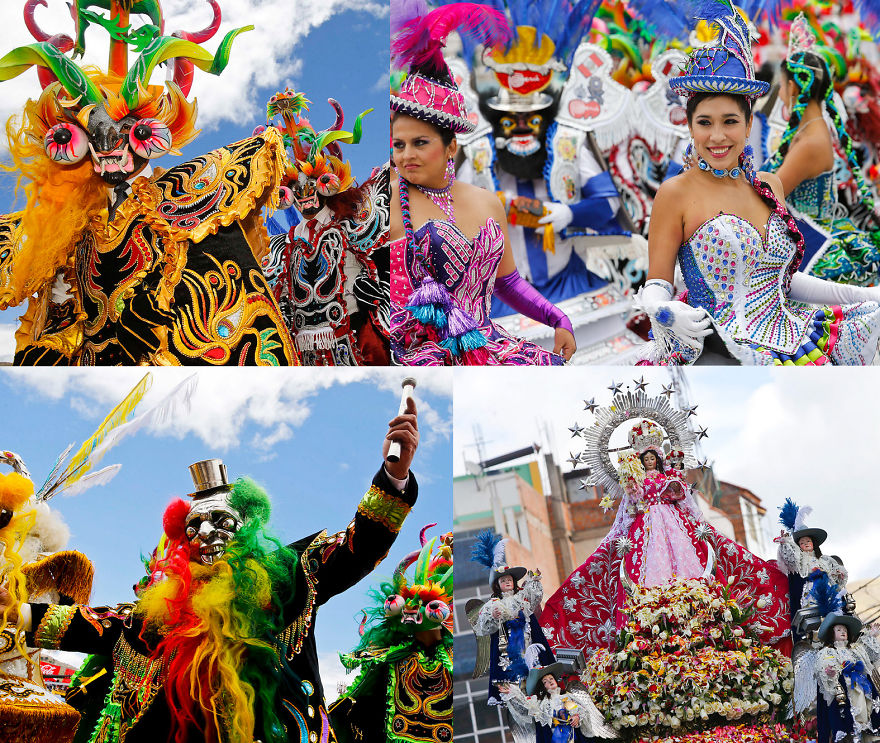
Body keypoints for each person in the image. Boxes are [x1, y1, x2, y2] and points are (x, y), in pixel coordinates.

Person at [0, 402, 420, 743]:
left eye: (219, 520)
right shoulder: (163, 610)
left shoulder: (289, 577)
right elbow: (102, 624)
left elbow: (358, 547)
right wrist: (17, 613)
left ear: (247, 527)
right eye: (193, 528)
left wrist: (393, 477)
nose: (204, 534)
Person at [0, 0, 298, 365]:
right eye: (90, 134)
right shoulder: (71, 228)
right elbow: (59, 324)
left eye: (131, 132)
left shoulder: (187, 195)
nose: (107, 146)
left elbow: (222, 303)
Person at [638, 4, 880, 365]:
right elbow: (658, 282)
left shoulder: (768, 186)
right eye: (704, 122)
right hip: (721, 347)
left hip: (795, 339)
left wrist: (863, 294)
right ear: (690, 127)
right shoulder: (675, 193)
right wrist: (662, 309)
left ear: (749, 125)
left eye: (730, 121)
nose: (717, 136)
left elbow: (784, 281)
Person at [389, 0, 576, 365]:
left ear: (451, 147)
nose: (405, 154)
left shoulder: (485, 200)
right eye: (399, 144)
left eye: (420, 143)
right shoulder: (387, 202)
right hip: (420, 357)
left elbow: (507, 283)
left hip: (489, 344)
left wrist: (556, 318)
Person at [541, 418, 790, 653]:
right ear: (641, 461)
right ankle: (653, 607)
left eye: (652, 458)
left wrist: (675, 487)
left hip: (674, 524)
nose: (649, 462)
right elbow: (628, 511)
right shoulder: (636, 483)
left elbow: (683, 498)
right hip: (645, 528)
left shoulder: (667, 477)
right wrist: (632, 488)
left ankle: (695, 600)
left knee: (688, 559)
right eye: (645, 459)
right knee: (645, 568)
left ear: (658, 459)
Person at [262, 89, 390, 365]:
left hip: (356, 334)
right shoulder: (284, 243)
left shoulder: (349, 222)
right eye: (296, 187)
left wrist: (379, 288)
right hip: (306, 349)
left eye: (310, 184)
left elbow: (381, 255)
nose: (305, 193)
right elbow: (280, 289)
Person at [764, 13, 880, 287]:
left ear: (793, 86)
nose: (779, 92)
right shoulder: (807, 132)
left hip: (814, 239)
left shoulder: (811, 142)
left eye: (781, 85)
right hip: (804, 232)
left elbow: (771, 193)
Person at [329, 528, 453, 743]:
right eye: (409, 602)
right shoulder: (391, 656)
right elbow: (359, 693)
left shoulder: (453, 658)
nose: (413, 607)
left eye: (424, 604)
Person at [469, 531, 554, 707]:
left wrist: (534, 579)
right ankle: (520, 698)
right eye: (503, 580)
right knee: (515, 678)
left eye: (509, 579)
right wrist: (494, 616)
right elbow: (482, 628)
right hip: (507, 647)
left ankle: (538, 694)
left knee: (534, 669)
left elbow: (535, 596)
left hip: (528, 640)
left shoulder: (522, 596)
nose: (507, 582)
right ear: (497, 585)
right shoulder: (492, 605)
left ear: (514, 582)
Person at [497, 663, 616, 742]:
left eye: (551, 679)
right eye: (545, 682)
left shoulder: (566, 696)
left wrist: (576, 717)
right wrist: (512, 692)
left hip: (571, 734)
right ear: (543, 688)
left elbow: (579, 709)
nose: (550, 682)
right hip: (554, 736)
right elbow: (525, 704)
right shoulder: (542, 703)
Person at [815, 611, 880, 743]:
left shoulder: (856, 648)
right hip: (843, 688)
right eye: (839, 630)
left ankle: (866, 726)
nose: (843, 632)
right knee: (847, 714)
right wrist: (829, 672)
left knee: (865, 708)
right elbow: (824, 668)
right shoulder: (827, 652)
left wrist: (872, 636)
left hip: (861, 686)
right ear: (831, 634)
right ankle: (851, 731)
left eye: (845, 630)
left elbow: (870, 656)